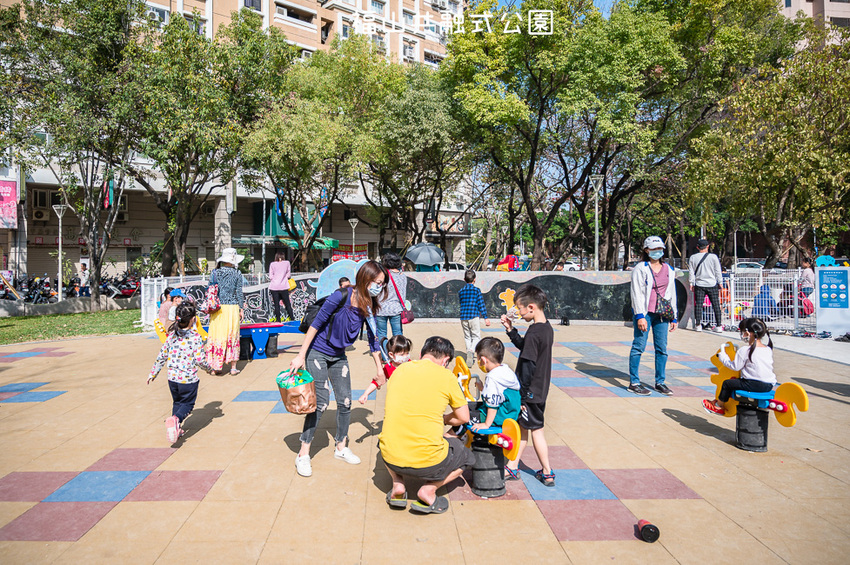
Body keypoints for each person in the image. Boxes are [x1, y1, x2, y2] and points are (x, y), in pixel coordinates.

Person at [288, 260, 388, 477]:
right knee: (321, 402)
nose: (379, 287)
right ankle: (303, 453)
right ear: (365, 278)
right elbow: (316, 325)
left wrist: (380, 370)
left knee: (345, 402)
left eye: (382, 284)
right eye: (376, 282)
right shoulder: (341, 296)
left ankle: (341, 448)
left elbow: (373, 340)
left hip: (338, 356)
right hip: (318, 352)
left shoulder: (368, 306)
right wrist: (300, 356)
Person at [379, 336, 474, 514]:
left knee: (384, 440)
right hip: (428, 463)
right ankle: (428, 490)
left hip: (391, 456)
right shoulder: (446, 376)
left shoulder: (399, 370)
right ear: (446, 360)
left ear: (423, 353)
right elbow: (464, 417)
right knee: (466, 456)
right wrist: (444, 419)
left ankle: (398, 485)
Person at [501, 285, 556, 487]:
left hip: (530, 393)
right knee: (525, 428)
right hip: (540, 390)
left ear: (531, 307)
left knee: (535, 431)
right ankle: (514, 466)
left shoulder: (534, 332)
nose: (518, 312)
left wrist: (522, 396)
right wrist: (510, 330)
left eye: (520, 309)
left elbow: (527, 365)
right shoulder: (545, 328)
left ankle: (547, 471)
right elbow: (526, 347)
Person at [148, 302, 207, 444]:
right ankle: (176, 420)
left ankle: (175, 428)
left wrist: (153, 373)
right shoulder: (195, 337)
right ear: (193, 319)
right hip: (188, 379)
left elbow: (162, 355)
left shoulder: (172, 336)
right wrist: (209, 368)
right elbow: (200, 360)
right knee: (188, 404)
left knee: (177, 402)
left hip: (172, 378)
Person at [629, 236, 677, 396]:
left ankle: (660, 382)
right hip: (645, 313)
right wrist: (639, 316)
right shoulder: (640, 268)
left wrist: (674, 316)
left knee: (662, 349)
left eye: (660, 249)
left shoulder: (669, 269)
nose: (657, 252)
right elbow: (636, 293)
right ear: (646, 250)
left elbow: (672, 294)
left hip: (662, 314)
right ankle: (634, 382)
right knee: (639, 346)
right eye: (654, 249)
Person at [703, 318, 776, 415]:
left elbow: (735, 367)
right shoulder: (767, 349)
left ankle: (718, 405)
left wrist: (723, 357)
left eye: (742, 331)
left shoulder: (745, 350)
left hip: (754, 384)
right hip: (769, 385)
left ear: (747, 333)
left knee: (727, 383)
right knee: (737, 381)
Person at [205, 248, 245, 375]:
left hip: (218, 308)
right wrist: (241, 308)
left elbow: (210, 289)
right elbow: (239, 292)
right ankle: (233, 367)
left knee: (218, 335)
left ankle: (216, 367)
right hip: (232, 308)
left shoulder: (215, 272)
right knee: (232, 335)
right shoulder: (237, 273)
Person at [470, 337, 521, 431]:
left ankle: (452, 438)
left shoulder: (492, 377)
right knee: (468, 406)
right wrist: (483, 388)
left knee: (464, 416)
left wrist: (486, 424)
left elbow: (493, 404)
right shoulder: (506, 370)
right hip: (510, 414)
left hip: (499, 418)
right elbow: (500, 393)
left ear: (483, 360)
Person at [358, 335, 412, 404]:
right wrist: (366, 393)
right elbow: (376, 382)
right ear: (391, 355)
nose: (405, 356)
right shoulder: (389, 368)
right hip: (396, 400)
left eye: (407, 353)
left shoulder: (410, 363)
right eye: (402, 355)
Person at [688, 238, 723, 332]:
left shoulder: (693, 258)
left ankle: (698, 325)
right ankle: (719, 325)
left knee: (699, 305)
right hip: (712, 283)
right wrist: (720, 282)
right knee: (716, 305)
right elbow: (717, 271)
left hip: (699, 284)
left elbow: (691, 272)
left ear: (697, 247)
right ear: (708, 246)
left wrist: (691, 283)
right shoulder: (713, 257)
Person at [458, 269, 490, 365]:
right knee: (476, 336)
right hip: (473, 316)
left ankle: (469, 352)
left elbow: (461, 303)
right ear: (474, 280)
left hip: (463, 316)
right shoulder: (476, 290)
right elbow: (481, 304)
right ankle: (471, 351)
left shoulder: (461, 291)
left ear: (464, 279)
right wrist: (485, 317)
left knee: (467, 336)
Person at [375, 253, 407, 340]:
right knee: (398, 334)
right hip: (396, 308)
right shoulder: (403, 276)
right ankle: (398, 352)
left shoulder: (382, 275)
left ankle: (385, 352)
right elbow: (403, 294)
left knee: (382, 334)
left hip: (381, 308)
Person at [268, 251, 294, 322]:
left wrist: (276, 279)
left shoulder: (272, 264)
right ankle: (292, 319)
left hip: (274, 287)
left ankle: (278, 320)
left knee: (276, 305)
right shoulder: (287, 263)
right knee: (287, 304)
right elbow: (288, 275)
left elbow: (270, 276)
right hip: (284, 286)